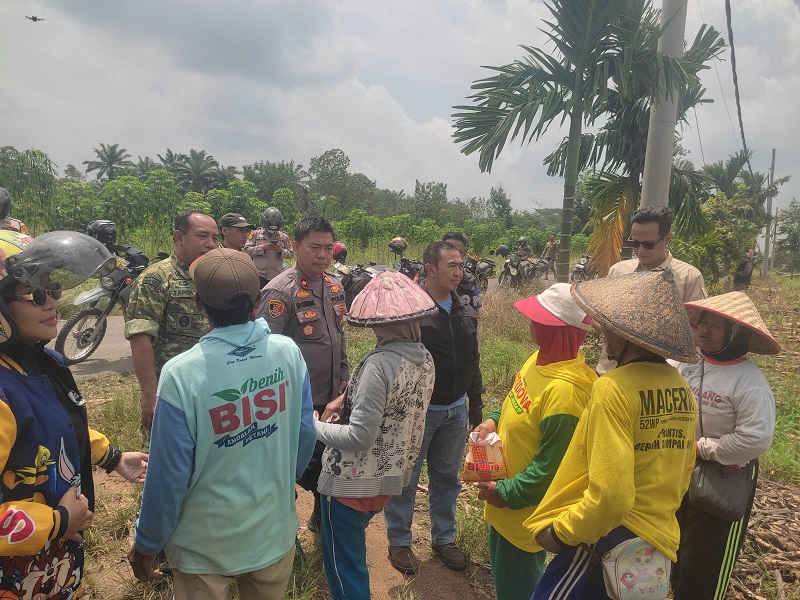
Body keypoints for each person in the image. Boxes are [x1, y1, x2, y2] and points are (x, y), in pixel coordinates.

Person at [128, 248, 315, 600]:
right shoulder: (288, 352)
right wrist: (279, 482)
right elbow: (305, 435)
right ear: (258, 299)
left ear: (199, 303)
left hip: (204, 548)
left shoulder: (182, 373)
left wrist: (147, 542)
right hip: (273, 533)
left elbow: (167, 476)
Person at [524, 269, 698, 599]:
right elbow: (683, 472)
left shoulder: (613, 388)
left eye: (609, 326)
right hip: (655, 543)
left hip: (605, 542)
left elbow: (611, 494)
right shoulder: (682, 391)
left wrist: (562, 533)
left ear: (623, 333)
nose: (604, 333)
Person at [0, 230, 147, 599]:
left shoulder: (41, 361)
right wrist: (58, 521)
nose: (52, 303)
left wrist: (110, 456)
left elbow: (54, 422)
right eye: (36, 295)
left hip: (51, 560)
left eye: (52, 289)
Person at [315, 270, 437, 600]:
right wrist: (349, 398)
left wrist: (313, 425)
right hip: (389, 477)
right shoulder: (424, 358)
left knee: (345, 566)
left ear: (378, 322)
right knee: (352, 547)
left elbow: (357, 438)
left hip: (349, 483)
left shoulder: (379, 364)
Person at [472, 283, 597, 600]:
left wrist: (504, 493)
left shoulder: (566, 394)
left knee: (518, 588)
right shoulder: (538, 360)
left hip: (524, 515)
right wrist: (493, 419)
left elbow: (551, 469)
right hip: (504, 503)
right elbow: (515, 400)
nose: (531, 324)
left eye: (539, 321)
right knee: (505, 582)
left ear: (558, 330)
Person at [669, 291, 779, 600]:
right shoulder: (684, 364)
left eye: (715, 325)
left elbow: (755, 438)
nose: (703, 329)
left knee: (707, 561)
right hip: (681, 469)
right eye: (701, 321)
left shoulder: (748, 382)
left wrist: (702, 448)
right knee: (677, 545)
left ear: (736, 334)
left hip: (724, 477)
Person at [384, 241, 483, 574]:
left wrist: (475, 406)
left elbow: (473, 359)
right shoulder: (411, 311)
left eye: (461, 266)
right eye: (452, 265)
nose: (459, 272)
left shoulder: (464, 308)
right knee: (405, 478)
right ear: (430, 268)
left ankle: (444, 538)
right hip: (418, 412)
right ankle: (399, 541)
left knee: (446, 478)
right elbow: (391, 360)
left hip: (455, 411)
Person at [256, 216, 349, 531]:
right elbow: (265, 352)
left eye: (328, 248)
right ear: (295, 247)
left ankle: (321, 518)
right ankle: (281, 528)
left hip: (332, 398)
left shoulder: (335, 286)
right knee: (290, 466)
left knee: (330, 465)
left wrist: (344, 379)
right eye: (314, 248)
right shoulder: (279, 292)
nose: (323, 255)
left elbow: (340, 337)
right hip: (294, 401)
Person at [125, 210, 218, 451]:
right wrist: (150, 395)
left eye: (215, 238)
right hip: (171, 391)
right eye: (202, 236)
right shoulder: (156, 279)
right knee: (164, 458)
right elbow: (140, 337)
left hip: (210, 388)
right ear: (179, 237)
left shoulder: (211, 276)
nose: (210, 244)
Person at [597, 205, 706, 374]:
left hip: (660, 375)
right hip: (611, 369)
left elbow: (695, 330)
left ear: (667, 239)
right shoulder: (618, 271)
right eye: (634, 242)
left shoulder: (689, 277)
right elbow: (600, 316)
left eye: (648, 245)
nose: (640, 250)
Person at [245, 207, 293, 288]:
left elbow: (291, 253)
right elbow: (247, 250)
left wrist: (281, 251)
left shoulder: (284, 237)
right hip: (258, 274)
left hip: (276, 276)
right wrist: (262, 248)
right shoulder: (255, 234)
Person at [442, 231, 482, 314]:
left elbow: (475, 313)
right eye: (448, 249)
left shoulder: (470, 280)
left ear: (464, 254)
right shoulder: (428, 274)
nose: (453, 254)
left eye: (459, 251)